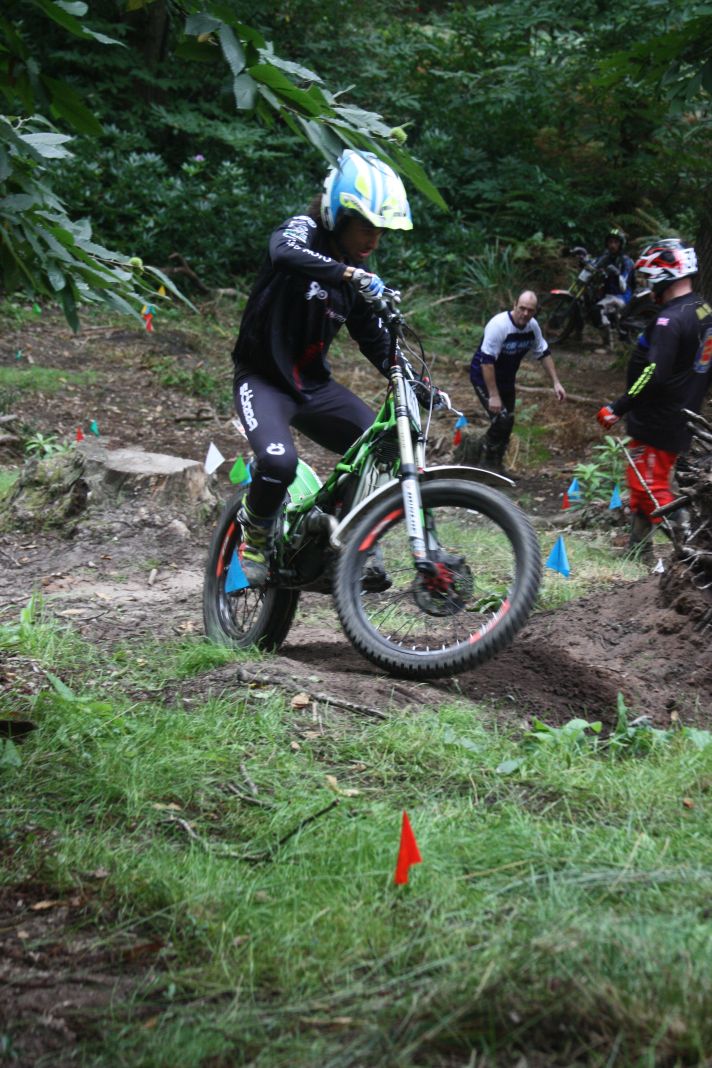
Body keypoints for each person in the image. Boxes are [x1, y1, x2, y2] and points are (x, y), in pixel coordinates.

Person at [230, 148, 412, 586]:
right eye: (366, 227)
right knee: (279, 463)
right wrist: (349, 274)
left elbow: (373, 338)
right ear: (339, 215)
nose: (373, 241)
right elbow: (282, 252)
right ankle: (255, 535)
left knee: (380, 448)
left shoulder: (358, 273)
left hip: (314, 388)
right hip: (262, 380)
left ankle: (351, 541)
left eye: (380, 231)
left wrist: (414, 379)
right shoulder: (303, 231)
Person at [597, 238, 712, 559]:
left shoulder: (669, 320)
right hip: (681, 413)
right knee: (643, 483)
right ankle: (638, 550)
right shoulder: (702, 309)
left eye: (651, 278)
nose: (649, 286)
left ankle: (694, 548)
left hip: (659, 417)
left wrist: (618, 407)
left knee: (650, 488)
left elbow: (654, 374)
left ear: (665, 274)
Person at [469, 290, 567, 473]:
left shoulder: (532, 327)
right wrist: (493, 395)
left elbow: (543, 353)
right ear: (514, 305)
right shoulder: (499, 326)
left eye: (530, 310)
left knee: (508, 422)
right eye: (522, 308)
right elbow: (487, 363)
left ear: (535, 311)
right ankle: (484, 463)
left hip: (506, 380)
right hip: (483, 377)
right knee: (501, 420)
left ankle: (496, 466)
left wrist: (556, 382)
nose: (525, 314)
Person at [593, 227, 636, 349]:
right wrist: (582, 257)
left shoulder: (626, 261)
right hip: (608, 295)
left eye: (616, 242)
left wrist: (617, 273)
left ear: (621, 244)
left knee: (597, 310)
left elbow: (624, 286)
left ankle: (608, 344)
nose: (612, 245)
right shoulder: (607, 257)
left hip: (621, 296)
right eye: (610, 242)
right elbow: (594, 264)